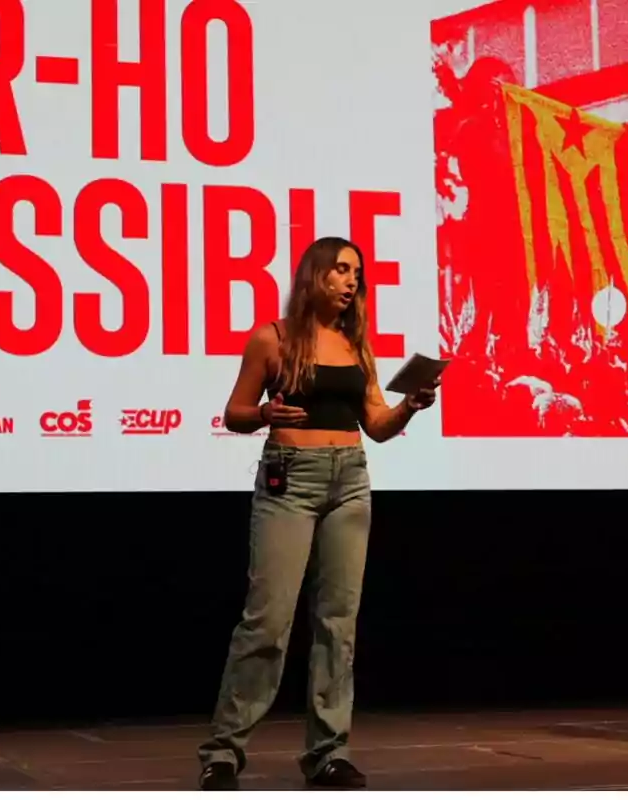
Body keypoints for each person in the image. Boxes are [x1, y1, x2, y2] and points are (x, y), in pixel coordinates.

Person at [197, 237, 439, 790]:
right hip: (290, 479)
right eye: (341, 270)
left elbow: (376, 426)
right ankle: (224, 751)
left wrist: (410, 405)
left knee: (338, 623)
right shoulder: (273, 338)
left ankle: (329, 752)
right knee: (268, 621)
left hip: (349, 479)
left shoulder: (357, 344)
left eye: (357, 272)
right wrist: (263, 412)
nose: (352, 280)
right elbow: (234, 413)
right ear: (315, 277)